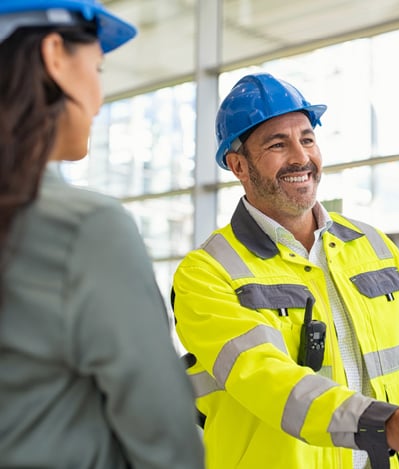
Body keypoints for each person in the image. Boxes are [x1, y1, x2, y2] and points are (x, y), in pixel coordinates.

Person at [172, 72, 399, 469]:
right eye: (277, 144)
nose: (301, 158)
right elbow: (268, 381)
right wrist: (387, 425)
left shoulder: (373, 246)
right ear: (238, 166)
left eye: (307, 139)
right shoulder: (207, 272)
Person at [0, 1, 205, 468]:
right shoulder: (84, 228)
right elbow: (167, 445)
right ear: (54, 55)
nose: (98, 96)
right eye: (97, 66)